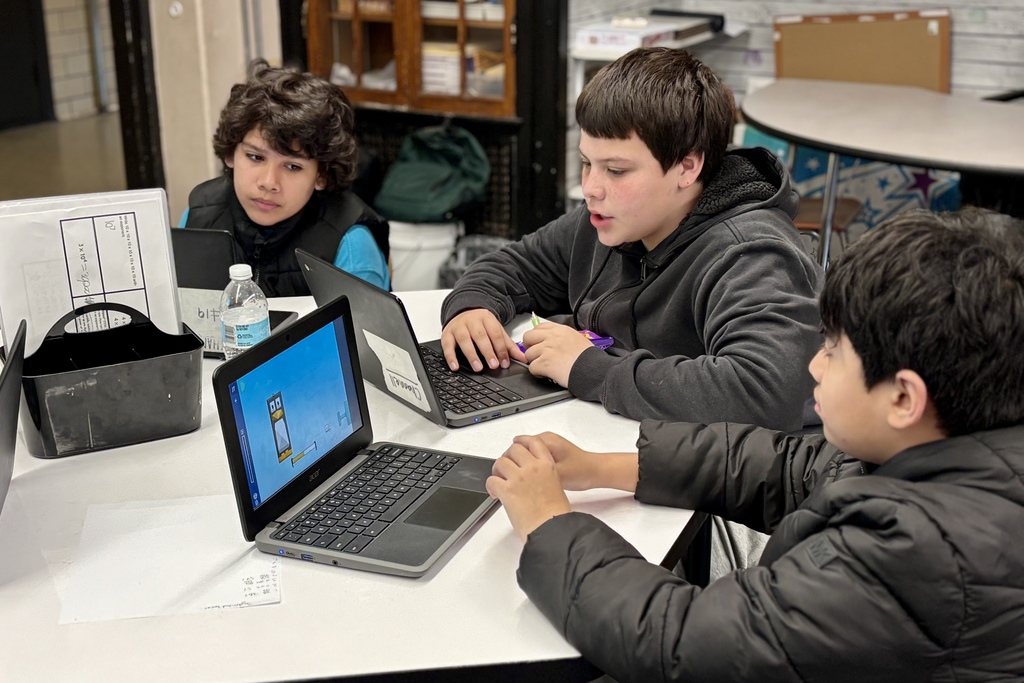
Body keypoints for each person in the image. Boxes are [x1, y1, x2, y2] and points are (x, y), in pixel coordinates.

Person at [485, 207, 1024, 681]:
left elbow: (680, 646)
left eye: (833, 350)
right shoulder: (963, 444)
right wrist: (606, 466)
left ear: (904, 398)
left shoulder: (916, 556)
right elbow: (799, 467)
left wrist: (549, 523)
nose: (813, 363)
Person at [440, 47, 822, 432]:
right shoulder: (610, 220)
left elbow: (766, 393)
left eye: (617, 171)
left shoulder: (751, 254)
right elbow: (516, 266)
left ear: (687, 167)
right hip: (617, 436)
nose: (591, 188)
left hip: (716, 476)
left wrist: (588, 368)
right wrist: (473, 308)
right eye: (587, 162)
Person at [184, 59, 390, 297]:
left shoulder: (351, 244)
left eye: (293, 166)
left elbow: (362, 333)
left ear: (321, 175)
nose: (269, 182)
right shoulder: (198, 214)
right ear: (231, 153)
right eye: (255, 157)